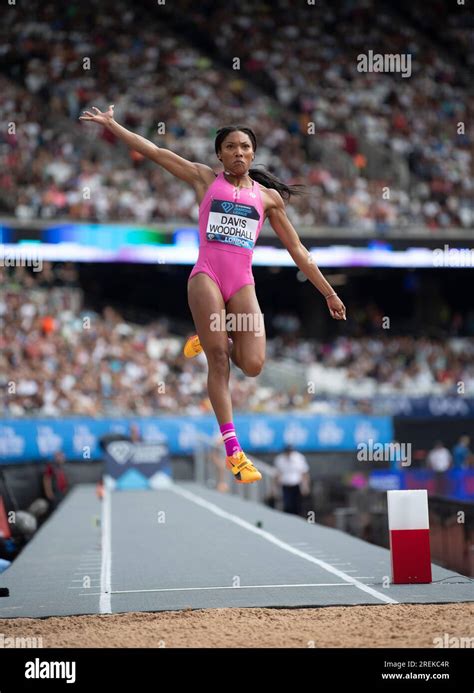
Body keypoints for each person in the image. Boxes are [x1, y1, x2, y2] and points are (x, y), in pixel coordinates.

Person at [79, 107, 347, 485]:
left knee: (252, 364)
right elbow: (154, 152)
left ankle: (209, 334)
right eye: (231, 147)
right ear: (219, 154)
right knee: (220, 358)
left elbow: (298, 251)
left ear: (253, 154)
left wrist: (329, 293)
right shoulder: (204, 178)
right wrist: (112, 125)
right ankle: (234, 451)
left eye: (245, 147)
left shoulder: (268, 198)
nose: (238, 153)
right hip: (206, 276)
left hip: (242, 282)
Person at [274, 444, 311, 516]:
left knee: (297, 505)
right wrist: (275, 488)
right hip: (285, 485)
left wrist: (305, 486)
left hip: (296, 484)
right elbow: (277, 474)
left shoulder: (299, 458)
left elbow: (304, 473)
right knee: (287, 504)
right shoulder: (280, 459)